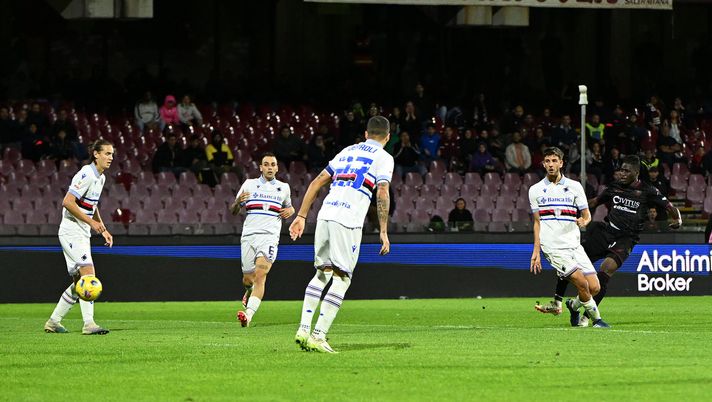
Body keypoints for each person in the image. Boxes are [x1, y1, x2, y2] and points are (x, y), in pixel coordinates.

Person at [536, 155, 682, 326]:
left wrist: (678, 220)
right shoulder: (614, 188)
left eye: (626, 170)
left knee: (606, 271)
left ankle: (584, 314)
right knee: (571, 262)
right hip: (606, 232)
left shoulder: (648, 191)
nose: (621, 173)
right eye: (620, 170)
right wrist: (570, 208)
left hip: (626, 239)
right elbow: (594, 202)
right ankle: (560, 301)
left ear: (636, 172)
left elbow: (670, 207)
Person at [290, 115, 393, 353]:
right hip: (348, 219)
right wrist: (384, 230)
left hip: (326, 214)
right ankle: (318, 335)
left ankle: (303, 329)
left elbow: (317, 182)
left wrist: (302, 216)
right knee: (342, 277)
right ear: (387, 137)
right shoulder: (384, 158)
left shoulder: (347, 151)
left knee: (322, 272)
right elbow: (383, 191)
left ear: (366, 134)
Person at [529, 146, 610, 329]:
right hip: (553, 247)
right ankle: (597, 320)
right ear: (543, 164)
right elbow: (537, 223)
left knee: (594, 287)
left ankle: (573, 306)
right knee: (581, 283)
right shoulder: (535, 190)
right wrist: (536, 250)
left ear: (561, 163)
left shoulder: (574, 187)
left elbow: (587, 214)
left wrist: (585, 221)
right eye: (547, 161)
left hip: (574, 245)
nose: (551, 164)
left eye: (554, 161)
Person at [44, 140, 115, 335]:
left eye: (112, 154)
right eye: (107, 153)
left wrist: (103, 229)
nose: (110, 158)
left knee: (79, 283)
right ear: (96, 155)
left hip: (82, 231)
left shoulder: (100, 178)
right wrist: (92, 223)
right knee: (88, 273)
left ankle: (53, 321)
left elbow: (92, 205)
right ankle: (89, 323)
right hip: (71, 230)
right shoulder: (86, 174)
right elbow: (67, 202)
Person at [229, 153, 294, 328]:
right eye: (266, 164)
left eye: (273, 164)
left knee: (260, 275)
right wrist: (237, 203)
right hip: (249, 236)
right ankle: (248, 291)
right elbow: (234, 210)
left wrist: (292, 210)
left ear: (277, 167)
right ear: (261, 167)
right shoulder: (249, 185)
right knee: (248, 279)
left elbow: (289, 207)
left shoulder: (284, 188)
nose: (270, 167)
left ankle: (248, 316)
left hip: (270, 237)